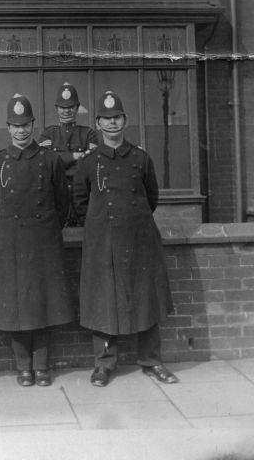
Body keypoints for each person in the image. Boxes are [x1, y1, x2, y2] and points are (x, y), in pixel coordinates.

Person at [73, 90, 178, 387]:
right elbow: (81, 202)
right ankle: (104, 365)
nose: (112, 124)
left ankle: (152, 360)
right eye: (106, 119)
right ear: (98, 123)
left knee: (146, 301)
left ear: (125, 121)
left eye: (116, 118)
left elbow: (151, 197)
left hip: (140, 240)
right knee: (104, 303)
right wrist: (102, 227)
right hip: (103, 244)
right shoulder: (88, 162)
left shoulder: (141, 158)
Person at [0, 93, 74, 387]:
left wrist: (44, 228)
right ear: (7, 127)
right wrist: (11, 231)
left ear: (34, 125)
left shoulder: (50, 160)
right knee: (17, 306)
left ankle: (42, 366)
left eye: (25, 125)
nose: (20, 131)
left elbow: (63, 203)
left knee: (44, 304)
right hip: (12, 245)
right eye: (14, 125)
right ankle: (23, 366)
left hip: (44, 241)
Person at [38, 82, 99, 226]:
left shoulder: (88, 133)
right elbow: (45, 163)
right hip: (54, 196)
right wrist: (77, 156)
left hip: (83, 195)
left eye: (71, 107)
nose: (67, 111)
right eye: (63, 107)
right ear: (57, 109)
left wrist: (59, 158)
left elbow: (91, 163)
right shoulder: (48, 134)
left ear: (77, 108)